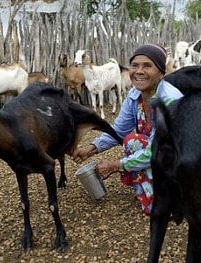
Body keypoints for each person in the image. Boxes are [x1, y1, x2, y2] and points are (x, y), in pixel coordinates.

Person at [72, 44, 183, 215]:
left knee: (137, 144)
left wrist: (116, 165)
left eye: (147, 66)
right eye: (134, 65)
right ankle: (149, 186)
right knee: (132, 141)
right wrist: (91, 149)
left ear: (161, 72)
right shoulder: (134, 95)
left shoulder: (169, 101)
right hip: (157, 153)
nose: (139, 71)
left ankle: (173, 195)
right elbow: (119, 130)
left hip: (179, 158)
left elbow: (156, 149)